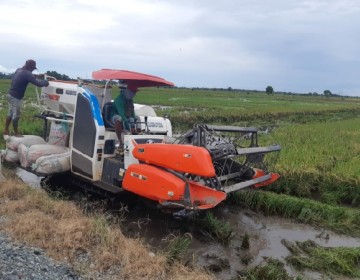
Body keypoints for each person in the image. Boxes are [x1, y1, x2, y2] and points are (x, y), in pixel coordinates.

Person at [4, 59, 49, 136]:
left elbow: (28, 75)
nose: (33, 70)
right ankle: (16, 133)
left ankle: (6, 130)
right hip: (15, 97)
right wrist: (46, 82)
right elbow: (39, 84)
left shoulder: (19, 70)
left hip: (10, 95)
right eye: (33, 68)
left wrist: (38, 76)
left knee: (10, 113)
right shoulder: (28, 74)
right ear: (31, 67)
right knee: (16, 115)